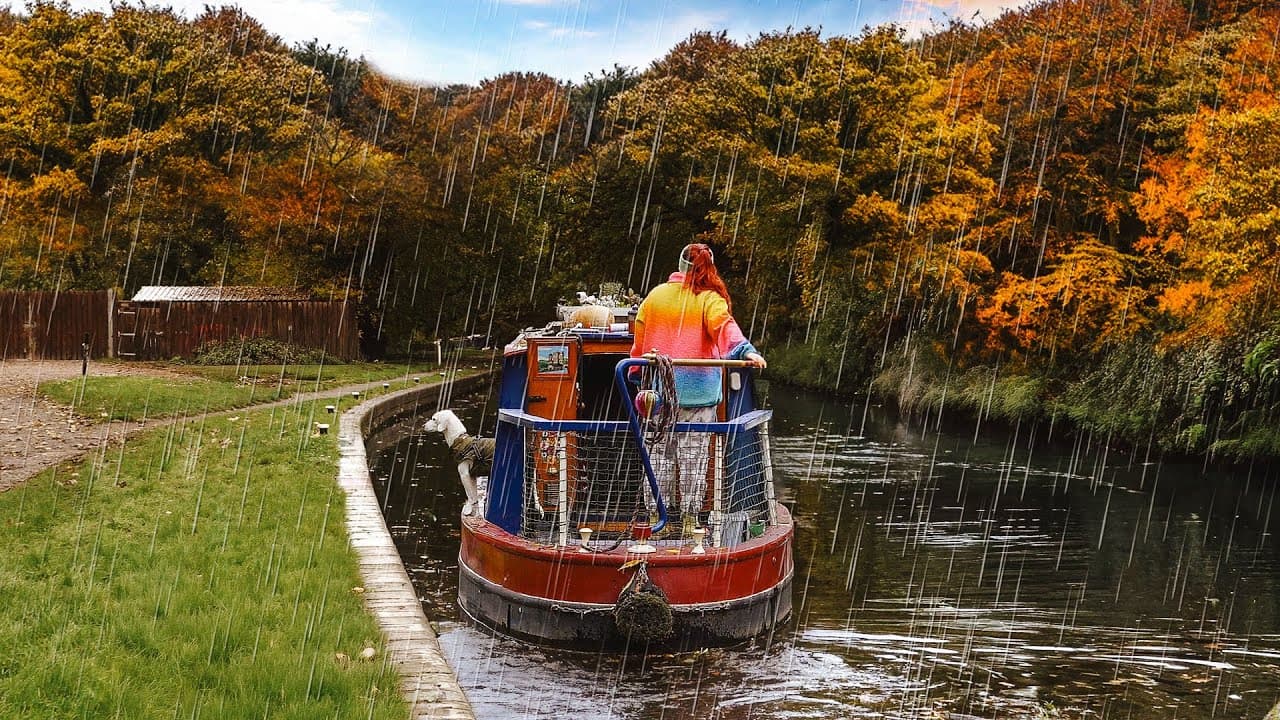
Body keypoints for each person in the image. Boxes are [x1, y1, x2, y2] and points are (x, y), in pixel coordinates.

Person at [629, 243, 766, 534]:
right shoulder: (709, 299)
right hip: (699, 397)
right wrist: (746, 351)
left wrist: (637, 373)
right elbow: (725, 328)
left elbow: (639, 345)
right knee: (693, 460)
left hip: (657, 397)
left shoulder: (654, 297)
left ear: (679, 266)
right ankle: (690, 520)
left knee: (657, 458)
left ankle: (657, 520)